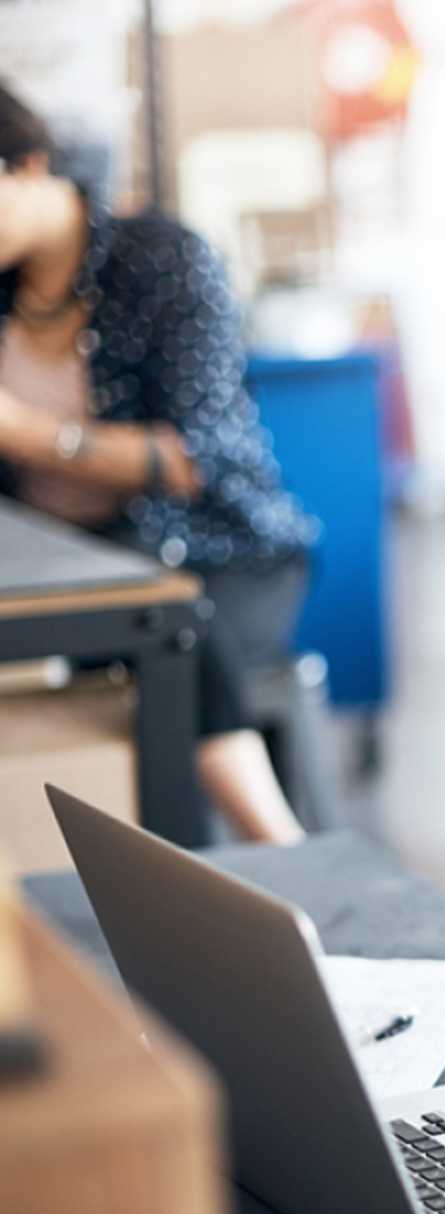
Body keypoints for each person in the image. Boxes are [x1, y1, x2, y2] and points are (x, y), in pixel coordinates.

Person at [0, 81, 313, 843]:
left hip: (221, 547)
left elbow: (193, 460)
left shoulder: (162, 259)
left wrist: (27, 434)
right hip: (74, 561)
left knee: (168, 616)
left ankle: (274, 852)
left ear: (30, 165)